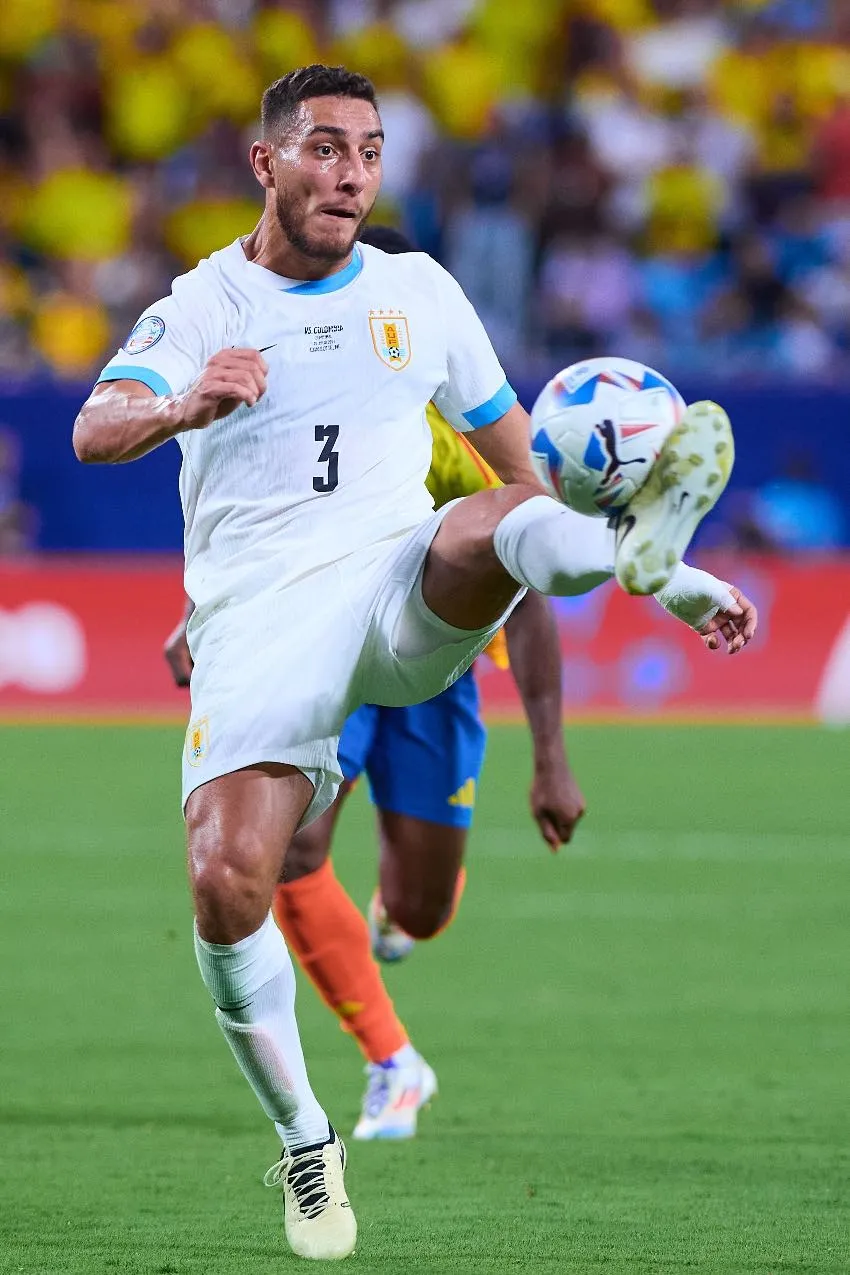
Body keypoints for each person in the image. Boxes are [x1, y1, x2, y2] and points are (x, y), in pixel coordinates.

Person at [73, 64, 756, 1263]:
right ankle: (304, 1138)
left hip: (397, 590)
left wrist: (639, 577)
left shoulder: (420, 292)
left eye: (370, 153)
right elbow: (93, 428)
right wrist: (184, 405)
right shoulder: (202, 304)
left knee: (484, 520)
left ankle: (648, 557)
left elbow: (516, 474)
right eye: (325, 149)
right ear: (266, 163)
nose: (349, 175)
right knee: (229, 880)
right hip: (261, 625)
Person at [164, 225, 588, 1142]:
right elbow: (253, 526)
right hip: (326, 652)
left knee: (426, 907)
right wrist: (199, 621)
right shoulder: (291, 388)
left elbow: (533, 593)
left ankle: (399, 913)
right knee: (293, 852)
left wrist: (551, 759)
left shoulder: (454, 430)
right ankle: (393, 1059)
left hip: (440, 668)